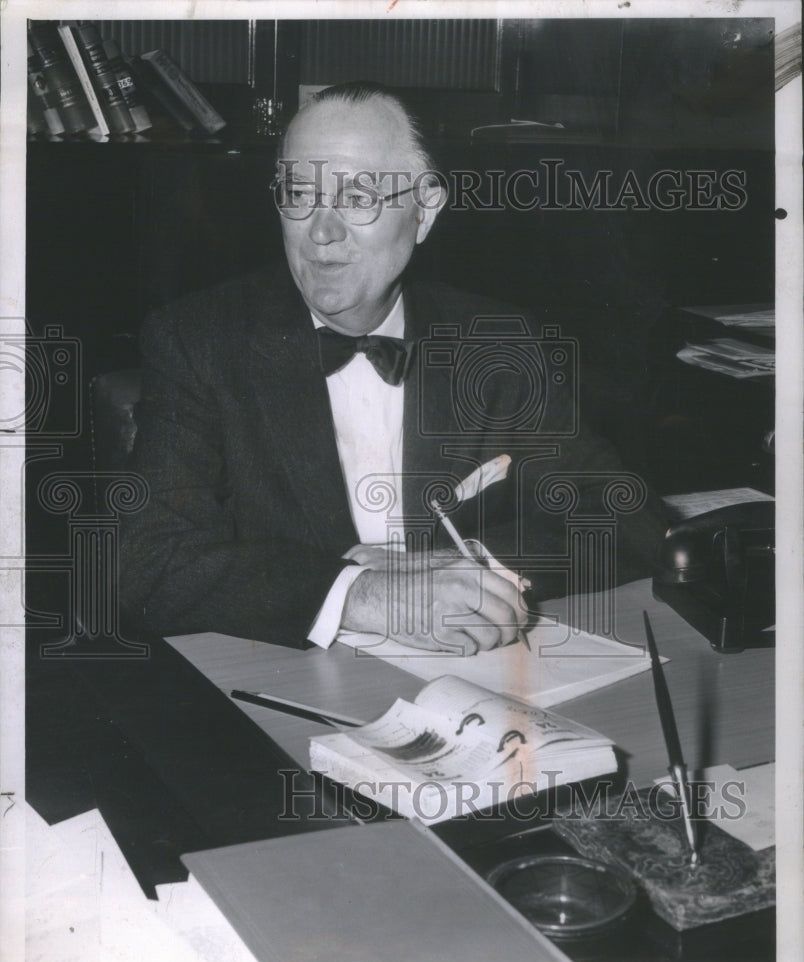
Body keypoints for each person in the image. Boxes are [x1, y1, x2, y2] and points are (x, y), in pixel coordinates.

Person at [120, 82, 665, 654]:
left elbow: (631, 515)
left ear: (424, 210)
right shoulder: (200, 340)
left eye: (358, 199)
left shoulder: (496, 341)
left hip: (472, 667)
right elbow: (146, 561)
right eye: (299, 193)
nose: (322, 231)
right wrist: (370, 596)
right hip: (288, 673)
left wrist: (471, 565)